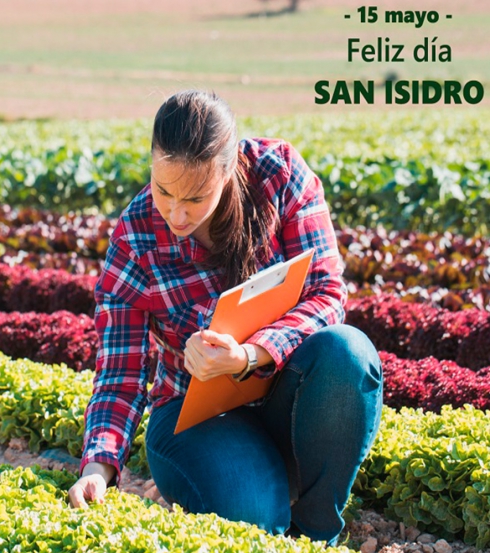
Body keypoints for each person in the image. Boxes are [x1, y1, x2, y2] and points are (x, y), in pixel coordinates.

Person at [67, 89, 383, 547]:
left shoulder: (280, 174)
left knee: (348, 352)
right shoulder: (135, 237)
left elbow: (328, 293)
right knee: (255, 519)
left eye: (195, 198)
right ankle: (262, 491)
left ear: (229, 167)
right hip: (194, 417)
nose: (176, 213)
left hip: (286, 395)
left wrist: (251, 354)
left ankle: (317, 529)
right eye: (163, 191)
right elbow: (121, 370)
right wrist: (98, 466)